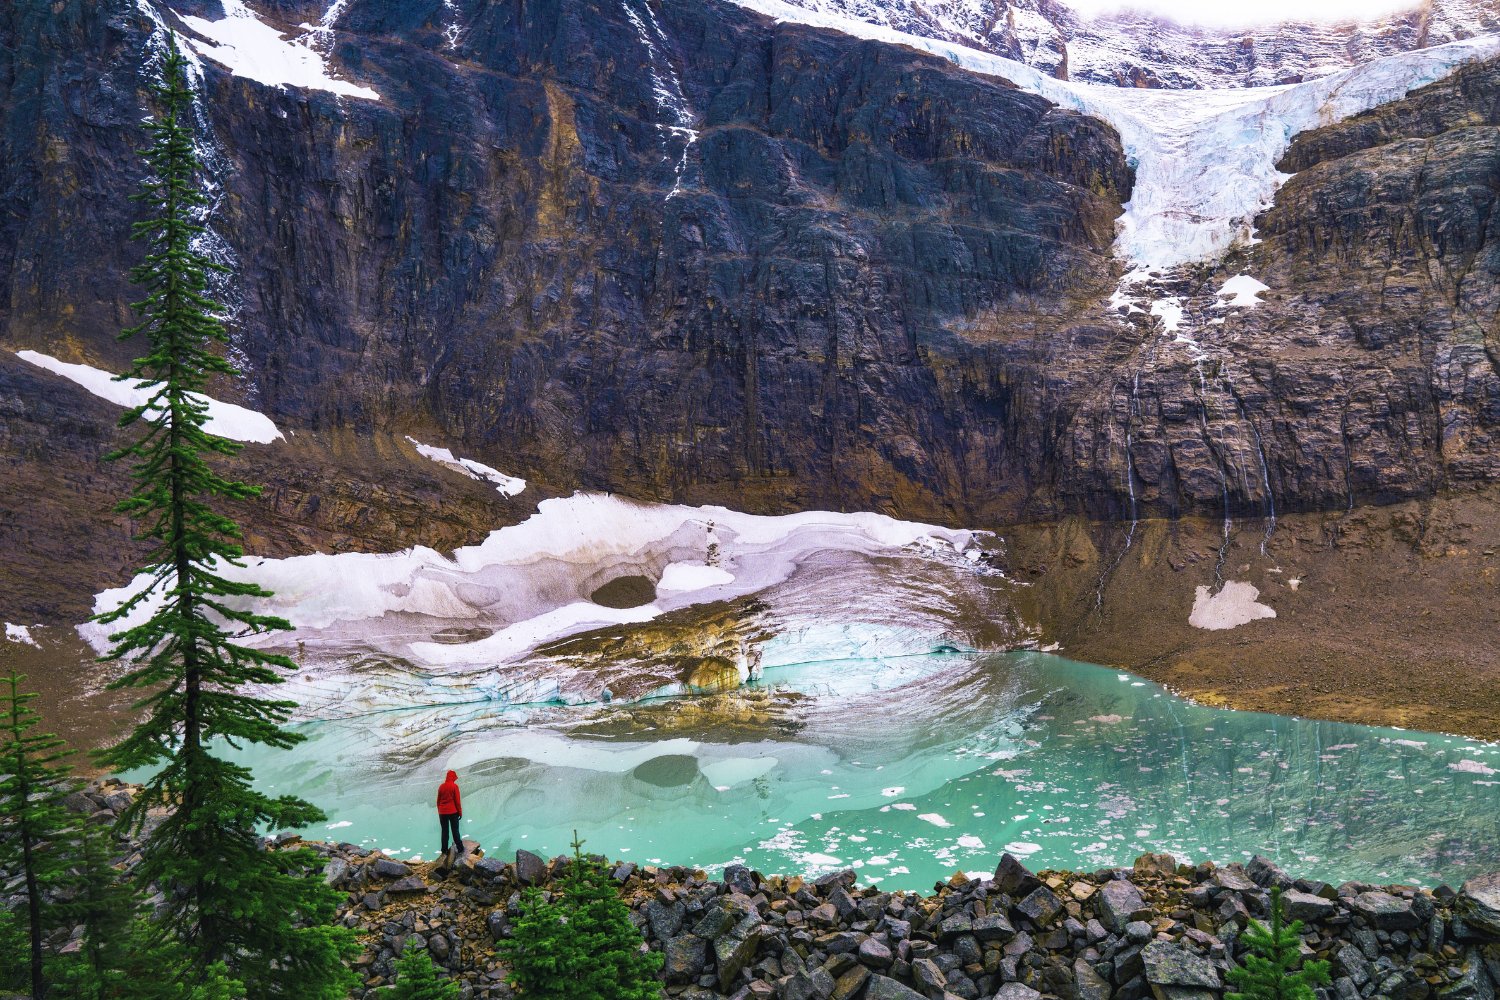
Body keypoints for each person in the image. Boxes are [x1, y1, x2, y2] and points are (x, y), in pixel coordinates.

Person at [436, 769, 463, 861]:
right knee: (455, 831)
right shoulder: (454, 786)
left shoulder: (441, 786)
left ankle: (444, 851)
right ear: (453, 777)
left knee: (444, 831)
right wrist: (460, 812)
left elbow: (438, 801)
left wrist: (440, 810)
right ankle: (460, 849)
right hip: (453, 812)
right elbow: (457, 802)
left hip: (442, 813)